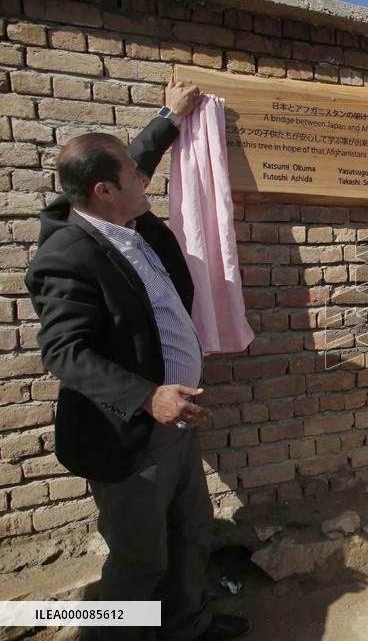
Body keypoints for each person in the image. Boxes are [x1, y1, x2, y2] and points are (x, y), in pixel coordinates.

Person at [24, 81, 250, 641]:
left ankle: (187, 627)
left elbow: (132, 159)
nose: (144, 176)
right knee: (138, 560)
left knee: (191, 533)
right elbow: (65, 351)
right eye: (132, 174)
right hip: (129, 434)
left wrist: (168, 120)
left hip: (176, 423)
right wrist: (149, 397)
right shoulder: (67, 254)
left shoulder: (125, 219)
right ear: (104, 190)